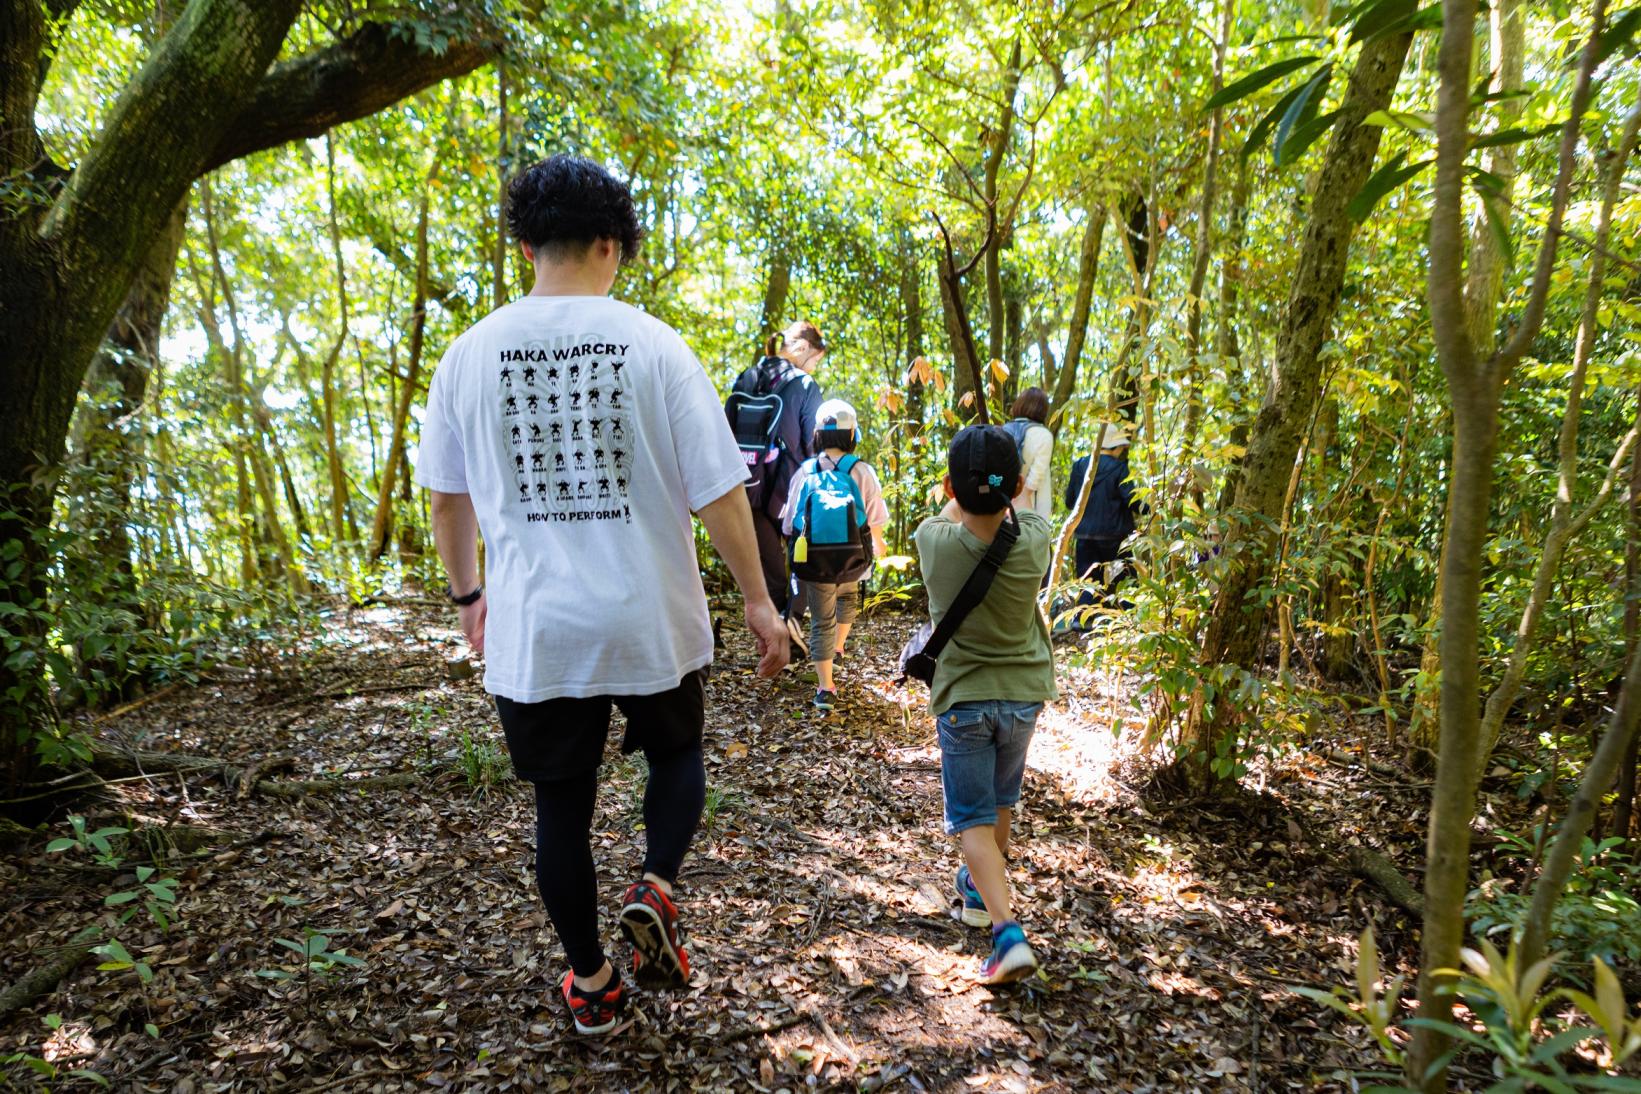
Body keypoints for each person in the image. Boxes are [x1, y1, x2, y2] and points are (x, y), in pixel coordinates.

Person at [413, 154, 788, 1037]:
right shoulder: (653, 344)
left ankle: (590, 983)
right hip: (647, 612)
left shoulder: (467, 356)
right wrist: (759, 601)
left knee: (560, 809)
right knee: (674, 754)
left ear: (529, 246)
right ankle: (656, 883)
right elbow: (718, 489)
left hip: (537, 627)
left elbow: (445, 496)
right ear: (610, 245)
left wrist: (469, 593)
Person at [914, 425, 1058, 984]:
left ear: (951, 485)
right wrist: (1008, 485)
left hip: (965, 699)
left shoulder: (933, 541)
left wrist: (969, 491)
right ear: (1017, 482)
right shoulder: (1037, 538)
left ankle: (1007, 934)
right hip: (1023, 696)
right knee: (1001, 799)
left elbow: (956, 515)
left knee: (971, 819)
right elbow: (1022, 508)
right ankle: (978, 889)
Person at [779, 399, 889, 711]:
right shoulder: (862, 471)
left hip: (815, 561)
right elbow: (876, 519)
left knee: (821, 621)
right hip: (854, 561)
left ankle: (825, 688)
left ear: (817, 435)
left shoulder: (805, 471)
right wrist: (878, 549)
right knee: (848, 600)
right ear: (853, 434)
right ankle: (838, 647)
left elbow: (789, 523)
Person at [725, 321, 827, 652]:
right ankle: (790, 637)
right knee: (803, 565)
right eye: (816, 360)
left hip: (747, 486)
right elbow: (816, 443)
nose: (815, 367)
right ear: (804, 349)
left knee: (769, 572)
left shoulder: (747, 376)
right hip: (790, 490)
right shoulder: (804, 383)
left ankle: (772, 641)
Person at [1062, 421, 1146, 604]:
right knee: (1124, 579)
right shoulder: (1119, 468)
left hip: (1085, 535)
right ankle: (1127, 620)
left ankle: (1083, 621)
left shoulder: (1079, 466)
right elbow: (1131, 501)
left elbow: (1070, 501)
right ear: (1115, 447)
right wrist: (1150, 507)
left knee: (1088, 580)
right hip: (1115, 536)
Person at [1001, 387, 1055, 520]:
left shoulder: (1003, 430)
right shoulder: (1044, 435)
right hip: (1033, 508)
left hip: (1002, 506)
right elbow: (1035, 478)